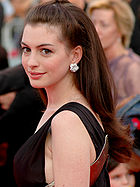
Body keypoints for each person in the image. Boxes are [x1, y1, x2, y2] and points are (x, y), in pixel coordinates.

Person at [13, 1, 133, 186]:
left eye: (46, 51)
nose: (31, 62)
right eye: (26, 49)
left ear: (75, 55)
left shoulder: (67, 122)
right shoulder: (65, 110)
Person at [87, 0, 140, 104]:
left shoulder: (133, 68)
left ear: (121, 30)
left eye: (104, 25)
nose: (95, 29)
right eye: (93, 23)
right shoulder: (90, 62)